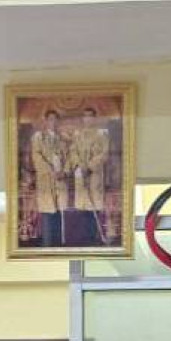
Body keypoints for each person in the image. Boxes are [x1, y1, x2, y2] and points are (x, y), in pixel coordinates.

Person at [70, 104, 111, 244]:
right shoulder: (77, 134)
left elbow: (104, 153)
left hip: (94, 174)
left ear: (94, 118)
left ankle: (96, 237)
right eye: (85, 116)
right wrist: (80, 165)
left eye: (90, 116)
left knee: (95, 204)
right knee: (83, 207)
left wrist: (90, 166)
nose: (87, 119)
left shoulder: (101, 134)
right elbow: (73, 151)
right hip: (80, 173)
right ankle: (84, 238)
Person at [30, 109, 70, 247]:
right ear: (46, 121)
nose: (53, 122)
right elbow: (36, 156)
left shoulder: (62, 139)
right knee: (47, 212)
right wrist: (51, 171)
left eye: (55, 119)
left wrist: (64, 172)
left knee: (59, 212)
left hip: (60, 179)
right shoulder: (39, 137)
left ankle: (58, 246)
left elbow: (69, 158)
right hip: (47, 179)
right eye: (50, 119)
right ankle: (47, 245)